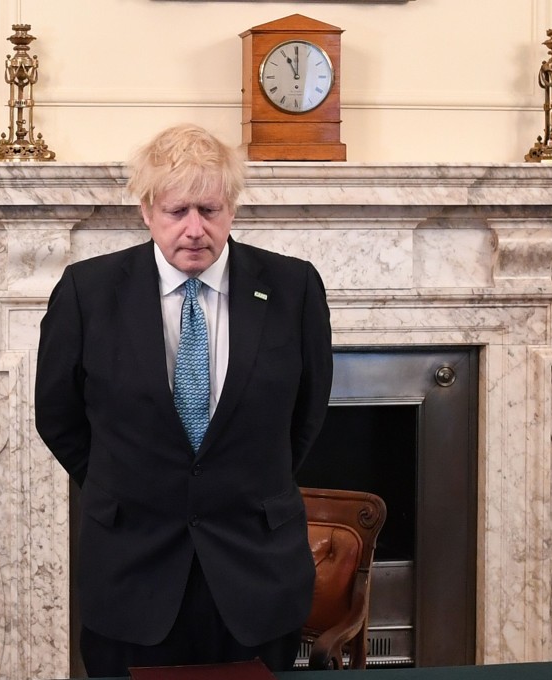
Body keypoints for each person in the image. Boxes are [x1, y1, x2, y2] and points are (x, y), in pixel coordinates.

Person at [34, 123, 333, 677]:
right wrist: (124, 482)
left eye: (210, 210)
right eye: (177, 211)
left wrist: (238, 481)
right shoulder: (87, 292)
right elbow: (57, 415)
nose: (195, 229)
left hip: (255, 577)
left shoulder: (294, 289)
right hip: (131, 571)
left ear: (232, 209)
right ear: (147, 210)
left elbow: (307, 412)